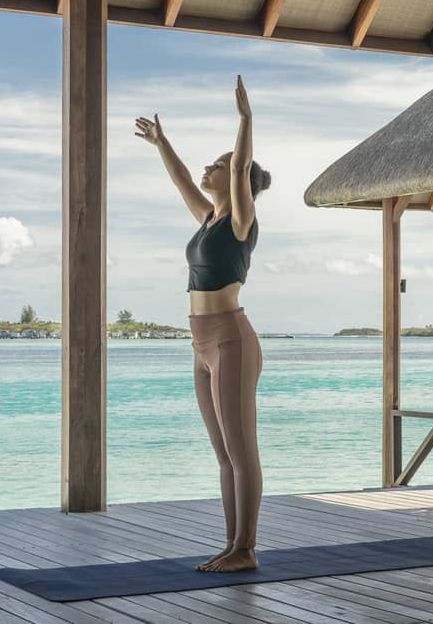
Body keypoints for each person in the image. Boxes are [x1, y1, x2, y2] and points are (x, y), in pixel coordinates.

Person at [134, 76, 271, 573]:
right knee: (222, 453)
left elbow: (238, 166)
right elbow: (181, 182)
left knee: (241, 448)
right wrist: (161, 143)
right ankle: (232, 544)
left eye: (218, 164)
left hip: (232, 339)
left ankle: (247, 548)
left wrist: (245, 120)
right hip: (201, 344)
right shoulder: (207, 219)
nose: (210, 167)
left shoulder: (240, 221)